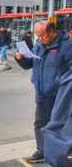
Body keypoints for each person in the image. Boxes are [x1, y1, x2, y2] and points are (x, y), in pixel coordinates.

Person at [15, 21, 71, 164]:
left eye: (42, 36)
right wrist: (20, 59)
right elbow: (30, 64)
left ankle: (59, 153)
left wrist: (61, 83)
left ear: (52, 31)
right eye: (38, 36)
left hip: (59, 94)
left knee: (58, 125)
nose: (40, 39)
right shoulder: (39, 44)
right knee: (40, 123)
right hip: (41, 91)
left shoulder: (67, 45)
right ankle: (42, 151)